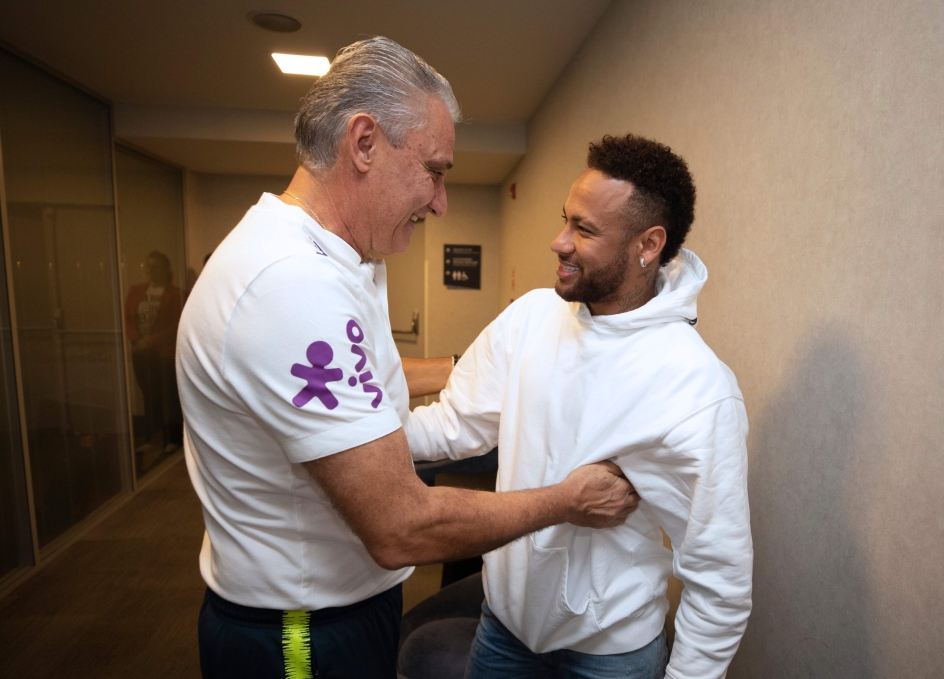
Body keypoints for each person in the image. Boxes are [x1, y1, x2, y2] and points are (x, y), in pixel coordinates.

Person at [176, 37, 639, 679]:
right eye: (436, 170)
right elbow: (401, 526)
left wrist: (469, 368)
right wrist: (566, 500)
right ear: (364, 143)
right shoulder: (290, 288)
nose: (441, 201)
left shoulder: (337, 259)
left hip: (339, 608)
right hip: (300, 635)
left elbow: (363, 373)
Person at [405, 135, 753, 679]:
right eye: (565, 220)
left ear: (648, 244)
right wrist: (353, 436)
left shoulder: (695, 386)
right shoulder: (531, 317)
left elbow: (720, 576)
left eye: (584, 229)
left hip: (610, 655)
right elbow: (455, 426)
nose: (558, 242)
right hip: (503, 631)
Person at [124, 250, 183, 467]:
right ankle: (152, 438)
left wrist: (152, 340)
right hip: (141, 352)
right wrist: (137, 340)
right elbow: (128, 318)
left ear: (166, 268)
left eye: (155, 265)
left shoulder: (175, 294)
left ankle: (172, 439)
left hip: (164, 352)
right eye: (147, 266)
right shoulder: (136, 291)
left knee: (169, 395)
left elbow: (176, 323)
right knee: (149, 395)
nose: (150, 270)